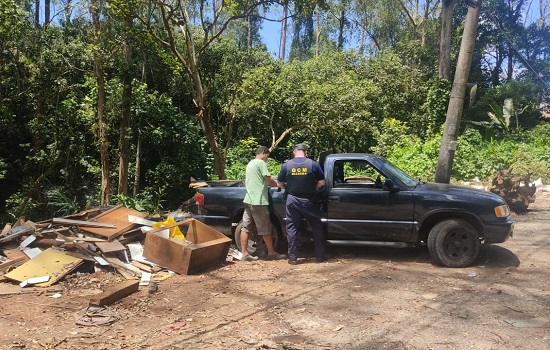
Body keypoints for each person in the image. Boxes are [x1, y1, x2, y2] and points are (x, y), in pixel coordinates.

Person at [277, 144, 327, 265]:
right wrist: (313, 188)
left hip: (292, 199)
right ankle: (320, 256)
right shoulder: (313, 164)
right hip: (308, 200)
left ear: (294, 152)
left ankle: (293, 258)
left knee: (292, 228)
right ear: (305, 152)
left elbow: (279, 183)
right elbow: (322, 182)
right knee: (316, 225)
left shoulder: (286, 165)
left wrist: (287, 188)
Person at [240, 146, 287, 261]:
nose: (267, 158)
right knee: (265, 228)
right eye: (267, 156)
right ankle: (271, 253)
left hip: (249, 199)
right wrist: (278, 185)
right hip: (258, 201)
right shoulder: (261, 163)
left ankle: (244, 254)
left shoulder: (250, 163)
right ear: (263, 153)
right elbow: (268, 179)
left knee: (245, 227)